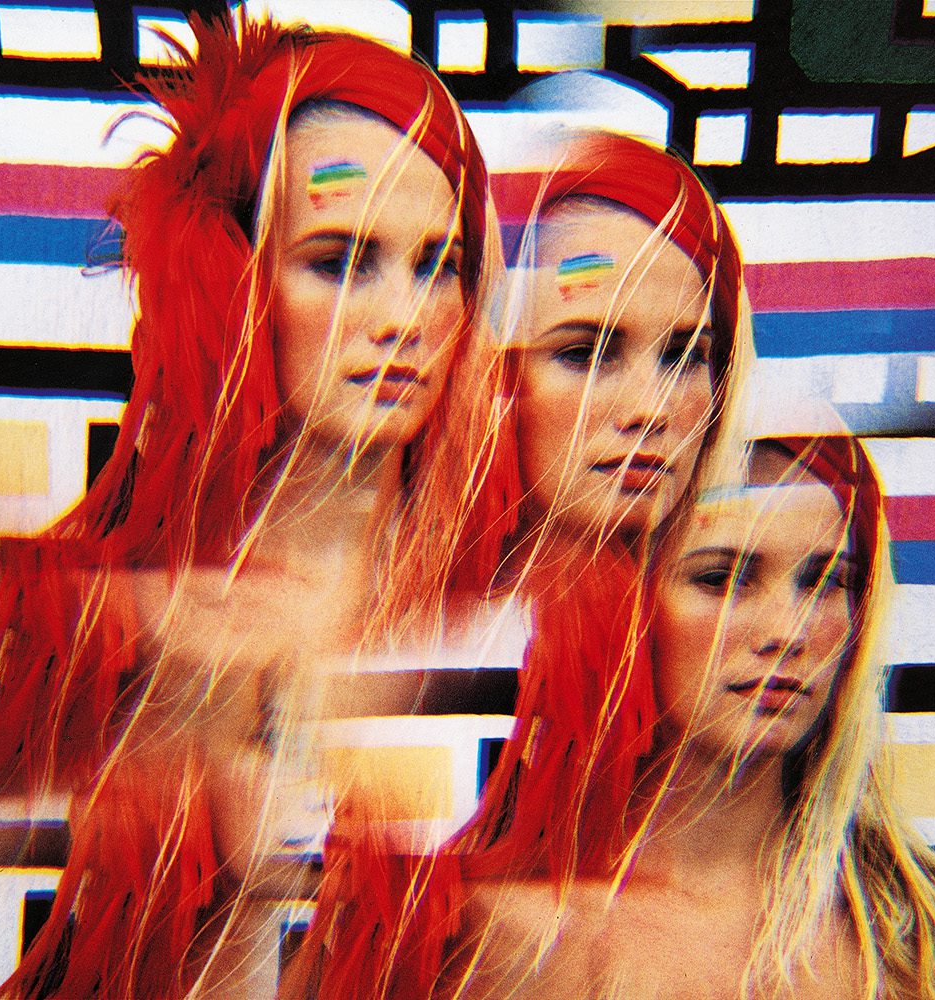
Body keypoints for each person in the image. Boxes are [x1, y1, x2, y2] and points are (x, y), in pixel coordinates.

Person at [0, 9, 520, 984]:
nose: (404, 317)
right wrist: (162, 824)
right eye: (338, 261)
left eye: (439, 265)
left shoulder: (511, 606)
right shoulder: (115, 615)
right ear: (230, 276)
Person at [286, 129, 762, 998]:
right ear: (492, 373)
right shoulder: (442, 644)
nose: (650, 408)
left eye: (685, 356)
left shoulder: (744, 621)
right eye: (584, 353)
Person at [298, 436, 935, 1000]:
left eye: (823, 581)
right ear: (613, 608)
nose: (789, 631)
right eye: (720, 577)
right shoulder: (452, 931)